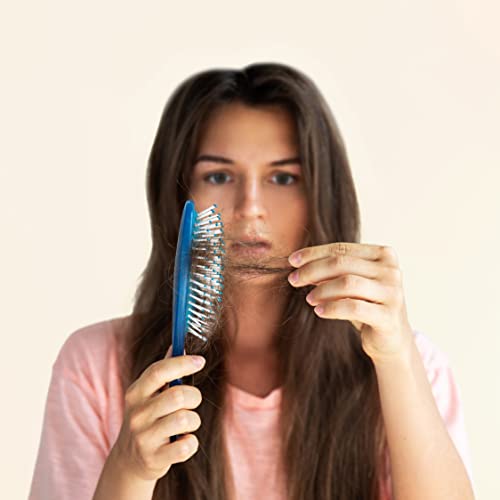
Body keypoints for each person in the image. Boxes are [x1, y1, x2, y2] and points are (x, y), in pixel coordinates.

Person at [28, 63, 475, 500]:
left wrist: (397, 358)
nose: (251, 206)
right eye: (219, 176)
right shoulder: (95, 367)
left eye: (283, 177)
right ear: (176, 194)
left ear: (323, 194)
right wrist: (130, 471)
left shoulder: (407, 368)